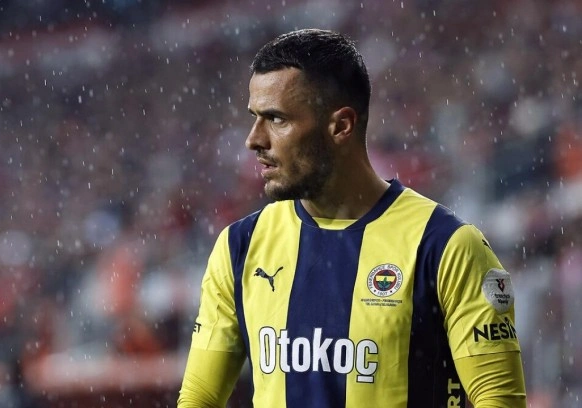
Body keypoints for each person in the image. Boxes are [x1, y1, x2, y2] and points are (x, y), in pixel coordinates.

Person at [177, 29, 526, 407]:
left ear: (341, 125)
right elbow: (199, 399)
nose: (254, 139)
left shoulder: (446, 247)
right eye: (255, 117)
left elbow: (500, 401)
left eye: (276, 119)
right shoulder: (239, 247)